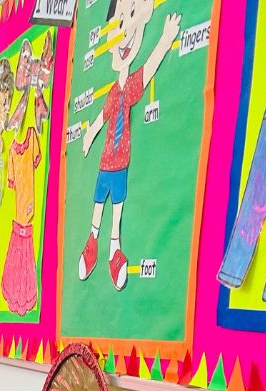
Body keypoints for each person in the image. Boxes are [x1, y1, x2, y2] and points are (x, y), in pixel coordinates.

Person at [79, 1, 180, 290]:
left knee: (117, 208)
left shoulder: (131, 86)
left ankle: (114, 250)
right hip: (104, 163)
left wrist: (165, 39)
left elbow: (147, 70)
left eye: (130, 19)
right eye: (120, 23)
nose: (124, 32)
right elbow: (102, 116)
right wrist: (90, 133)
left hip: (120, 164)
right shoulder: (113, 92)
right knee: (98, 203)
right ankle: (92, 241)